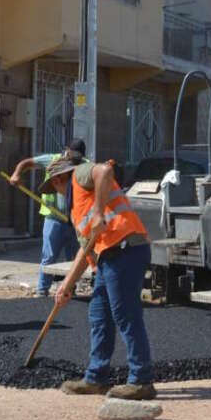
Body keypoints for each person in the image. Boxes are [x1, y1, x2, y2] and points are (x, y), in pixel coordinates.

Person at [39, 156, 156, 400]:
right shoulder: (75, 209)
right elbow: (85, 250)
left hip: (125, 248)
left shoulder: (79, 176)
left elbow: (104, 171)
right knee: (99, 314)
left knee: (125, 314)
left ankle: (142, 380)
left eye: (55, 187)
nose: (56, 193)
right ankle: (96, 378)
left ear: (61, 178)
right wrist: (66, 286)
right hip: (107, 257)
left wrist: (99, 212)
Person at [9, 139, 87, 298]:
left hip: (75, 220)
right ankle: (42, 291)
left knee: (74, 259)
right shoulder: (52, 160)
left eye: (78, 159)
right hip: (54, 218)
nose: (75, 161)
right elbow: (26, 163)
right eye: (73, 157)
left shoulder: (85, 164)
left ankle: (69, 291)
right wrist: (16, 174)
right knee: (49, 256)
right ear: (67, 150)